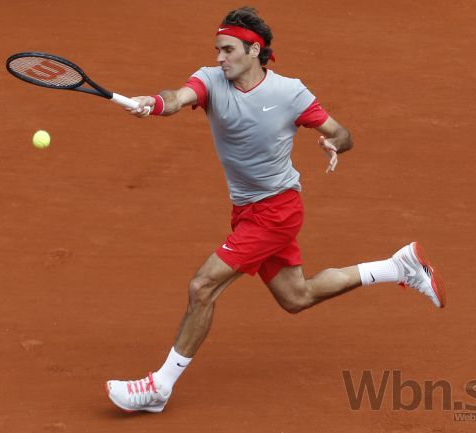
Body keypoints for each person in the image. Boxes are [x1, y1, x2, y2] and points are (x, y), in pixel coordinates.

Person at [105, 7, 445, 413]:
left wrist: (335, 142)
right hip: (247, 210)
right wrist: (153, 102)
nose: (219, 58)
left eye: (228, 50)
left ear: (254, 50)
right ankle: (397, 267)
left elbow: (341, 131)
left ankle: (160, 386)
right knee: (296, 297)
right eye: (217, 50)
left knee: (202, 286)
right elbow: (177, 98)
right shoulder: (211, 81)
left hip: (277, 211)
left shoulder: (289, 93)